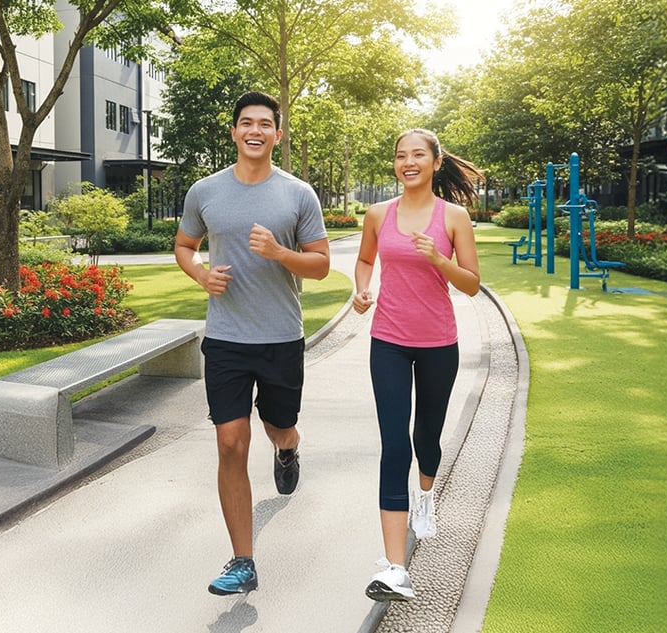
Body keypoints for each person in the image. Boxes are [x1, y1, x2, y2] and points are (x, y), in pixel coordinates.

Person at [174, 91, 331, 596]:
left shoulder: (298, 193)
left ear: (277, 134)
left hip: (281, 337)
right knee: (229, 442)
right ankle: (243, 561)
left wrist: (280, 252)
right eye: (246, 123)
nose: (255, 130)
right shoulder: (205, 191)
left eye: (265, 123)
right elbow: (184, 245)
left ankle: (288, 449)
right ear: (234, 132)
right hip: (225, 338)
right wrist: (200, 275)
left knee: (278, 425)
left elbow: (322, 265)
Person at [352, 128, 482, 601]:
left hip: (437, 343)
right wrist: (361, 289)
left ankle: (425, 495)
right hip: (387, 339)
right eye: (400, 156)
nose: (408, 162)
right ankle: (394, 567)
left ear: (434, 161)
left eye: (417, 155)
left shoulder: (454, 217)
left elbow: (470, 283)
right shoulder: (378, 214)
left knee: (424, 439)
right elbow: (365, 260)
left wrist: (438, 261)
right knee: (393, 444)